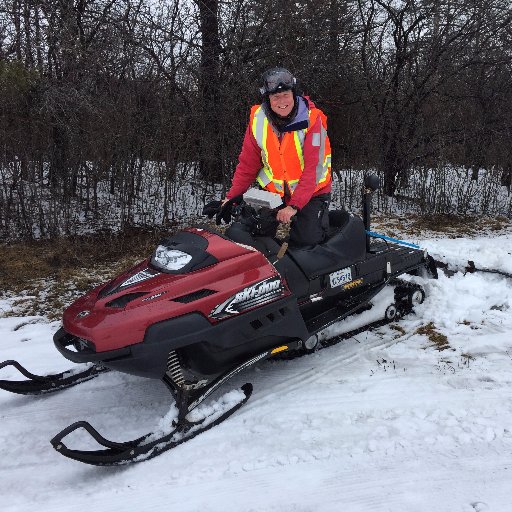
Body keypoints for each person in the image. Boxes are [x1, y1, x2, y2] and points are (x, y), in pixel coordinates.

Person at [222, 67, 332, 247]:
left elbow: (314, 169)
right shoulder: (258, 119)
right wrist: (231, 197)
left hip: (311, 193)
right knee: (255, 234)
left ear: (294, 94)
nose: (282, 101)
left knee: (307, 243)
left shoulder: (313, 120)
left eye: (286, 95)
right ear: (268, 99)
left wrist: (294, 206)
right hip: (273, 194)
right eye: (276, 97)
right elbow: (247, 164)